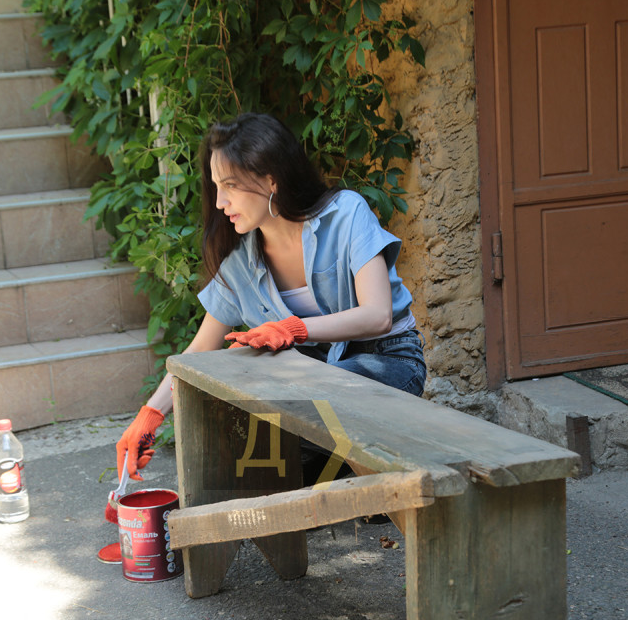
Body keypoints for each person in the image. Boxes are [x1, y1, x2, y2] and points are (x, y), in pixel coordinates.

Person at [115, 112, 425, 483]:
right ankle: (328, 482)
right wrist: (151, 415)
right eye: (216, 187)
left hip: (386, 359)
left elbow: (378, 315)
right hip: (315, 382)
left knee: (286, 416)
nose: (220, 202)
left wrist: (294, 329)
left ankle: (342, 479)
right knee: (244, 424)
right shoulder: (240, 264)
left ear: (270, 179)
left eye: (230, 185)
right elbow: (199, 351)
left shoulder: (345, 213)